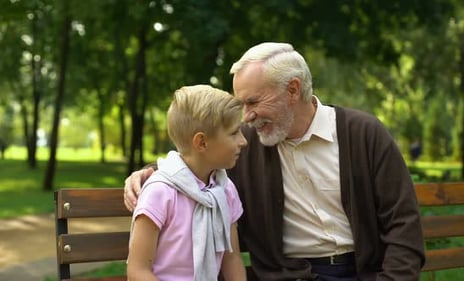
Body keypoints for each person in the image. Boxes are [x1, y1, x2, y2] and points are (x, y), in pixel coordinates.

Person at [124, 43, 425, 281]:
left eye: (253, 102)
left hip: (360, 274)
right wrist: (150, 171)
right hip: (288, 275)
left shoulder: (363, 134)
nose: (246, 116)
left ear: (293, 90)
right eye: (241, 105)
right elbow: (196, 157)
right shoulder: (245, 144)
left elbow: (404, 227)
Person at [126, 85, 248, 281]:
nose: (243, 141)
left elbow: (231, 259)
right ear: (201, 143)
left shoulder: (225, 190)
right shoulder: (160, 193)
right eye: (234, 133)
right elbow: (138, 271)